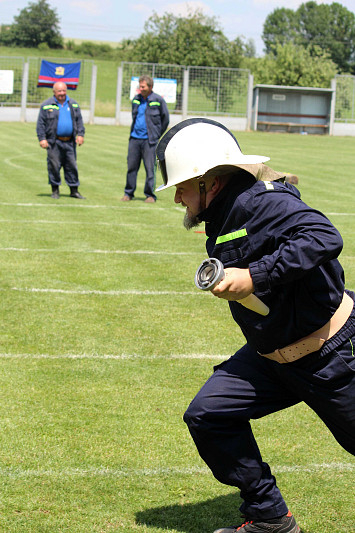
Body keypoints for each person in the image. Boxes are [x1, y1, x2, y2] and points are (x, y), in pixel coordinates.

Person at [155, 118, 355, 533]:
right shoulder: (224, 212)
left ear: (210, 181)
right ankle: (269, 519)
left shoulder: (260, 202)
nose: (177, 198)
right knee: (210, 414)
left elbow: (323, 235)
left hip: (331, 354)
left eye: (182, 187)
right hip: (272, 357)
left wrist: (254, 276)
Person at [121, 75, 169, 203]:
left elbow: (165, 119)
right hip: (134, 139)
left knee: (149, 169)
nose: (140, 89)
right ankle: (128, 193)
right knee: (131, 167)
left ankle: (150, 195)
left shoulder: (158, 100)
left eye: (143, 86)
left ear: (150, 87)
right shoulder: (136, 99)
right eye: (139, 86)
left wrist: (157, 134)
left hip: (150, 141)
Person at [36, 81, 86, 199]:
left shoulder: (73, 104)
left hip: (69, 142)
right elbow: (40, 124)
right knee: (54, 166)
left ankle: (74, 190)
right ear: (54, 92)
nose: (62, 93)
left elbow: (79, 121)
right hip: (54, 142)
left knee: (72, 166)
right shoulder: (47, 105)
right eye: (59, 91)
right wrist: (42, 138)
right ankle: (55, 190)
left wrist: (80, 135)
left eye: (64, 90)